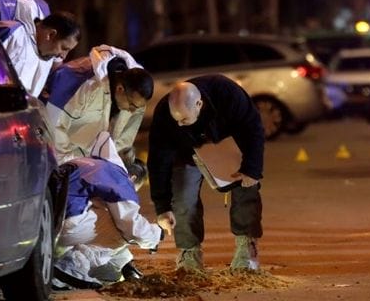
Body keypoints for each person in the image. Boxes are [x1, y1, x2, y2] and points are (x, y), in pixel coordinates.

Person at [148, 74, 263, 272]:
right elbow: (159, 161)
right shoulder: (164, 114)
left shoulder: (228, 94)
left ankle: (246, 245)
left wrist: (251, 169)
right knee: (183, 195)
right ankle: (189, 252)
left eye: (184, 119)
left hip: (228, 143)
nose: (179, 125)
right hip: (186, 151)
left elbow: (253, 129)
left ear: (199, 104)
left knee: (246, 186)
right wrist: (162, 207)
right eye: (176, 120)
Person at [53, 132, 162, 289]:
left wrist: (124, 262)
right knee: (123, 230)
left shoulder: (92, 163)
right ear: (132, 178)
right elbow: (131, 227)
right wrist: (156, 235)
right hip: (64, 223)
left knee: (107, 215)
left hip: (48, 220)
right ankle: (73, 267)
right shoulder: (120, 179)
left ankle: (63, 274)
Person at [45, 45, 152, 165]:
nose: (132, 111)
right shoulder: (83, 83)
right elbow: (54, 125)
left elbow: (122, 143)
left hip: (89, 165)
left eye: (138, 108)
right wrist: (71, 163)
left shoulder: (135, 95)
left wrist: (116, 166)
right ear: (120, 89)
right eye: (131, 105)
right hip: (58, 157)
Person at [0, 11, 81, 98]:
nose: (63, 56)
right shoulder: (11, 33)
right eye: (64, 48)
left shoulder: (48, 53)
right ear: (51, 35)